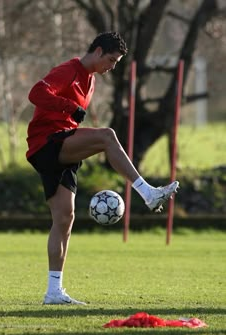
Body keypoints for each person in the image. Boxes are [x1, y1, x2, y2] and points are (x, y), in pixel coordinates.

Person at [26, 31, 179, 305]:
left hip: (61, 145)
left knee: (64, 218)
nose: (113, 66)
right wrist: (68, 107)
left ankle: (53, 292)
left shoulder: (91, 80)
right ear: (97, 51)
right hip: (46, 143)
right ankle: (147, 192)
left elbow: (70, 118)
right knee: (107, 136)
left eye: (117, 62)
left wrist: (72, 116)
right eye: (111, 60)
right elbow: (36, 93)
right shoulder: (68, 70)